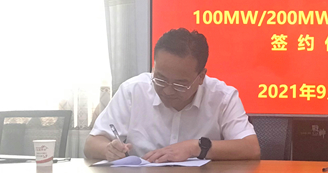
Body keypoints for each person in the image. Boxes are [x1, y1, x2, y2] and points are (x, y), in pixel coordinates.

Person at [85, 28, 260, 162]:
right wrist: (108, 150)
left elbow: (251, 148)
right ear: (153, 66)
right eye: (160, 79)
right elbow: (92, 144)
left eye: (180, 84)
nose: (167, 91)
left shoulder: (222, 97)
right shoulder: (133, 90)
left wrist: (195, 147)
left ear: (201, 77)